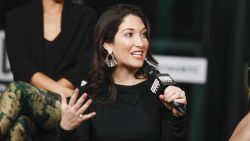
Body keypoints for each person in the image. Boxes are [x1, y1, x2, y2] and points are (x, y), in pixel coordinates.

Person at [57, 4, 187, 141]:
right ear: (108, 44)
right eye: (129, 34)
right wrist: (66, 129)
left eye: (143, 34)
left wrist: (177, 116)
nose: (141, 43)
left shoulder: (161, 90)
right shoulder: (89, 94)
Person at [0, 0, 97, 140]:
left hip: (70, 102)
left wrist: (61, 95)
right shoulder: (16, 17)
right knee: (19, 126)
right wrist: (42, 95)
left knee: (17, 90)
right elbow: (23, 68)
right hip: (30, 104)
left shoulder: (86, 16)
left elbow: (84, 66)